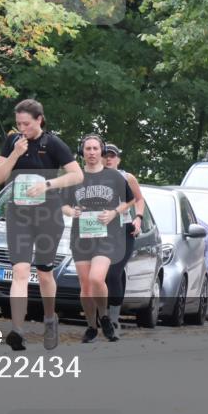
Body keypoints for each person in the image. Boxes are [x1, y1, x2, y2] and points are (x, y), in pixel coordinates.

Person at [0, 99, 83, 351]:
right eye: (19, 123)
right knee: (20, 271)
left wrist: (48, 185)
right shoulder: (13, 142)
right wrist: (15, 154)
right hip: (19, 215)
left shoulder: (52, 143)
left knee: (44, 273)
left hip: (48, 216)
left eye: (27, 124)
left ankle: (50, 318)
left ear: (40, 119)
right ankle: (18, 330)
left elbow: (77, 174)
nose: (23, 128)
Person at [63, 135, 135, 343]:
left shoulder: (113, 176)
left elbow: (130, 200)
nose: (92, 152)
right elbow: (63, 205)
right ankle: (91, 326)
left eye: (95, 148)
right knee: (86, 286)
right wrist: (72, 212)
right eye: (88, 149)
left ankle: (104, 316)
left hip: (106, 236)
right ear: (82, 152)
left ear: (101, 151)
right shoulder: (74, 177)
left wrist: (114, 212)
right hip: (81, 236)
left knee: (96, 278)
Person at [102, 143, 144, 338]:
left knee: (114, 273)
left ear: (118, 159)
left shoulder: (127, 177)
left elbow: (139, 199)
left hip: (123, 231)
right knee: (98, 275)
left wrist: (138, 218)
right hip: (100, 231)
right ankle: (98, 319)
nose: (108, 159)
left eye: (112, 156)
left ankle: (113, 319)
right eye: (105, 155)